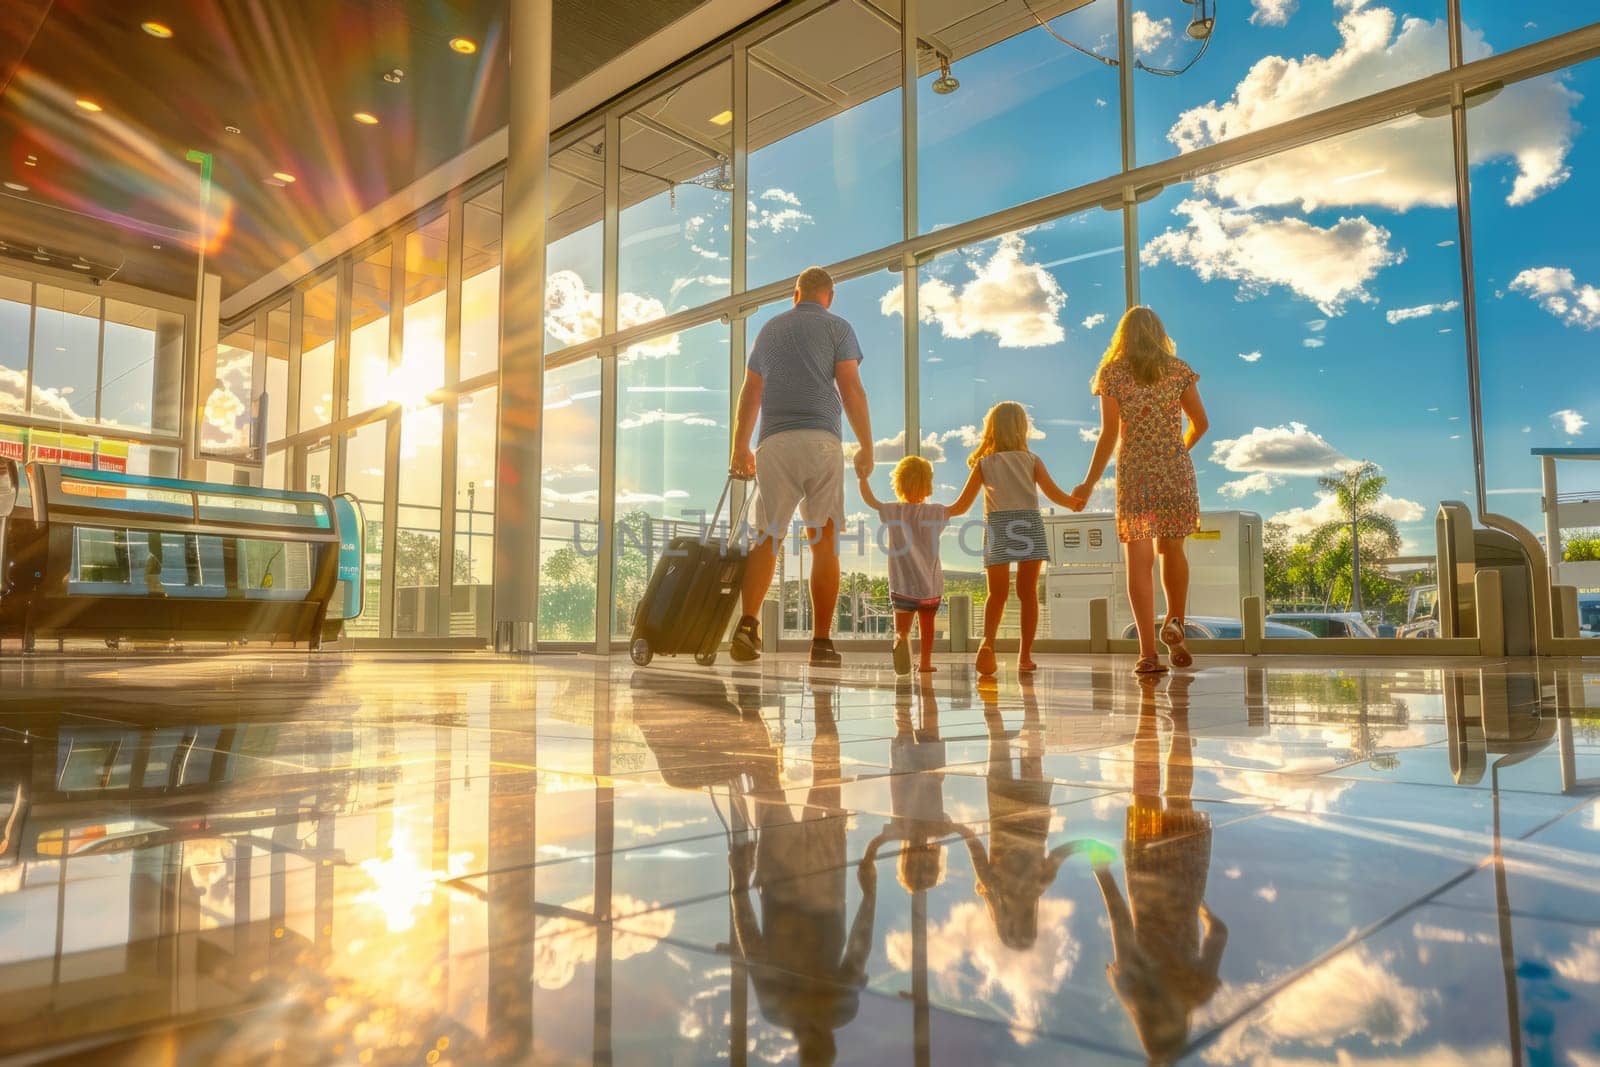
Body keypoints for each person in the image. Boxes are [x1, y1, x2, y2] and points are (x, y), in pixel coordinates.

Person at [729, 266, 875, 667]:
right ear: (829, 296)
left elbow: (751, 390)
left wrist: (740, 446)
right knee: (823, 541)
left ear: (796, 294)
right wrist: (866, 444)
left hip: (773, 442)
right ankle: (822, 643)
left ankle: (747, 625)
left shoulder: (770, 329)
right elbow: (850, 387)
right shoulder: (838, 328)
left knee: (767, 537)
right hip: (821, 442)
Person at [729, 682, 878, 1065]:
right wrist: (739, 888)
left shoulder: (832, 1010)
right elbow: (752, 944)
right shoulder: (787, 1010)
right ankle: (772, 712)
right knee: (780, 781)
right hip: (793, 879)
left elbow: (859, 950)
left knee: (812, 777)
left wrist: (869, 896)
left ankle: (816, 705)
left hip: (812, 877)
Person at [1091, 674, 1227, 1063]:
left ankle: (1180, 722)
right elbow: (1119, 918)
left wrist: (1197, 906)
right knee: (1145, 792)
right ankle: (1147, 716)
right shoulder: (1132, 988)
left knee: (1179, 794)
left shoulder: (1196, 991)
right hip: (1144, 874)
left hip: (1186, 880)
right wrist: (1101, 870)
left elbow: (1218, 931)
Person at [1073, 307, 1209, 676]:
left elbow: (1109, 435)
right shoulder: (1179, 370)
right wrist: (1177, 449)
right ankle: (1176, 621)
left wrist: (1088, 483)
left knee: (1139, 559)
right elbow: (1201, 424)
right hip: (1174, 469)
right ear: (1159, 333)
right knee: (1173, 549)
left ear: (1123, 335)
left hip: (1135, 473)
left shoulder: (1113, 374)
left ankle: (1147, 654)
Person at [949, 401, 1083, 677]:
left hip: (998, 525)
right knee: (1028, 594)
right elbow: (1054, 493)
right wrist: (1074, 503)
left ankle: (988, 643)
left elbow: (962, 505)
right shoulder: (1032, 461)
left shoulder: (985, 464)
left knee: (996, 594)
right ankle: (1024, 656)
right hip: (1028, 524)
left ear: (992, 429)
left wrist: (937, 513)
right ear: (1022, 429)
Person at [858, 456, 950, 675]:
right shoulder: (935, 512)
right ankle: (925, 662)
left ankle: (900, 641)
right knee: (927, 625)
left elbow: (871, 501)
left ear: (899, 483)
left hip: (902, 584)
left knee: (902, 628)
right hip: (929, 585)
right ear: (928, 485)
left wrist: (862, 479)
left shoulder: (893, 510)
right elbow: (961, 506)